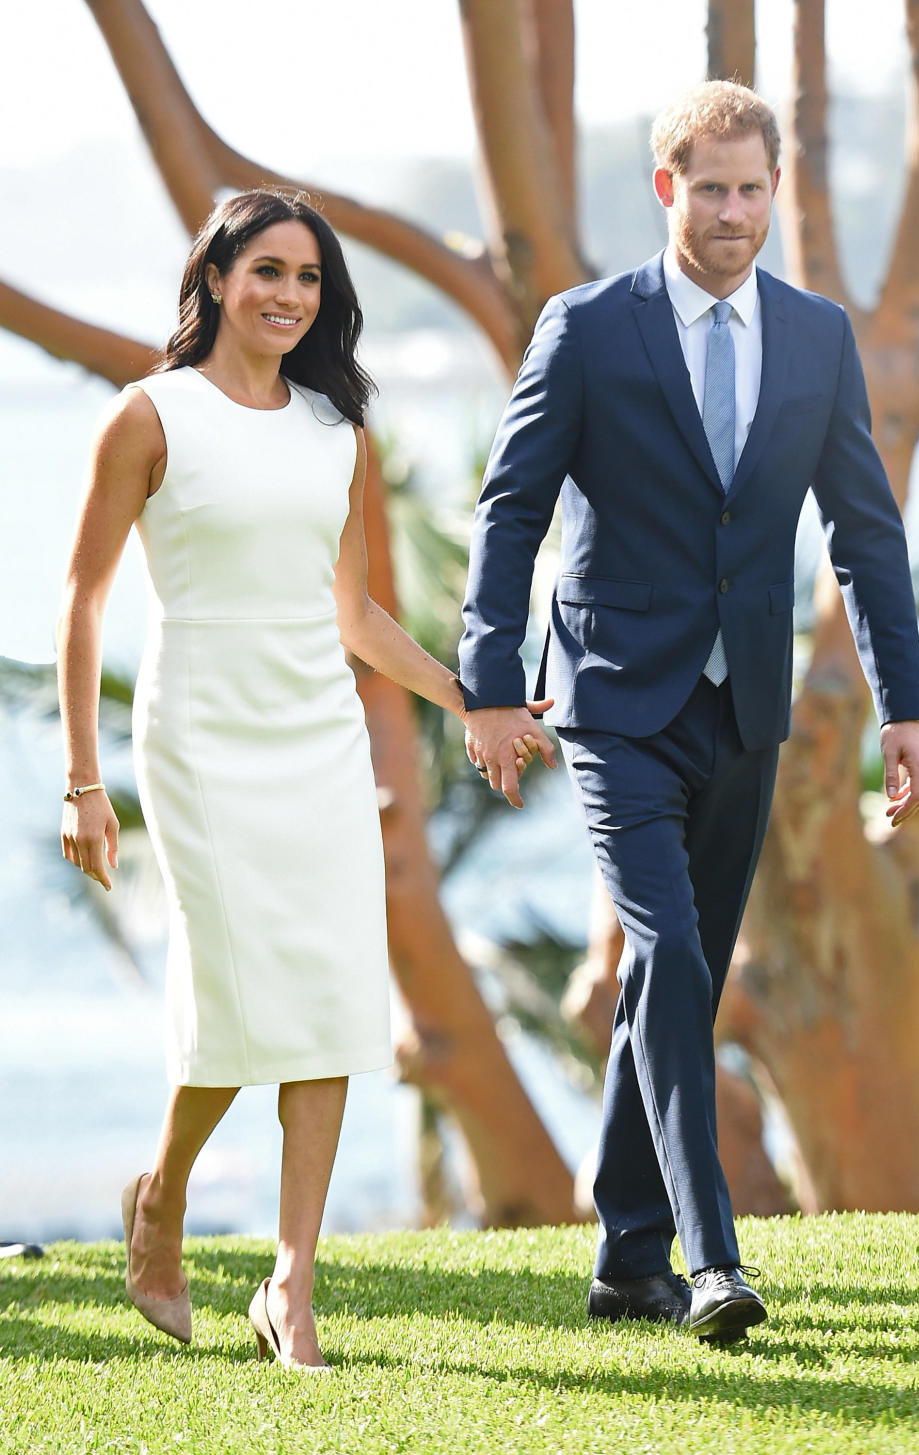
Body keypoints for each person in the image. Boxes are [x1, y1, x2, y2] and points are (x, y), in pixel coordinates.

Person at [457, 81, 919, 1342]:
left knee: (684, 978)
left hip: (745, 710)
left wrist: (902, 704)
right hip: (612, 701)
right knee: (666, 953)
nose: (731, 211)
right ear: (667, 190)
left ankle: (622, 1262)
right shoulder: (588, 328)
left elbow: (866, 533)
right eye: (709, 187)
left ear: (775, 193)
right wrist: (490, 682)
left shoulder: (818, 337)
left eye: (750, 188)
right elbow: (511, 510)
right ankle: (708, 1257)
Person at [58, 188, 543, 1370]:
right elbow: (83, 600)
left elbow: (358, 616)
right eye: (266, 270)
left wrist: (473, 701)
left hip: (317, 739)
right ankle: (163, 1203)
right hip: (202, 738)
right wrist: (81, 781)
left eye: (310, 278)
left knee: (327, 1002)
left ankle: (291, 1285)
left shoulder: (338, 432)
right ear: (218, 278)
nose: (287, 295)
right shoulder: (149, 417)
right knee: (231, 999)